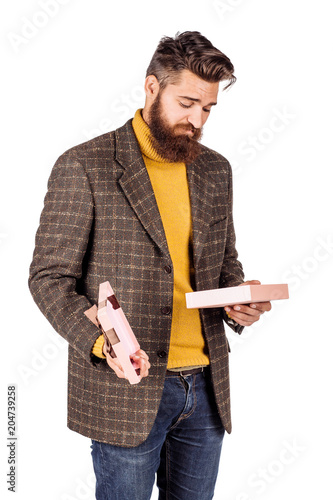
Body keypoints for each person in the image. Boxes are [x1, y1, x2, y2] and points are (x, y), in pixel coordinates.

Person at [29, 31, 271, 500]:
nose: (197, 119)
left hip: (205, 388)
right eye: (187, 103)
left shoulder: (215, 170)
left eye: (208, 109)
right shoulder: (85, 165)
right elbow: (48, 279)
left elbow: (225, 266)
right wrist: (103, 343)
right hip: (127, 388)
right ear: (151, 87)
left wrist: (239, 299)